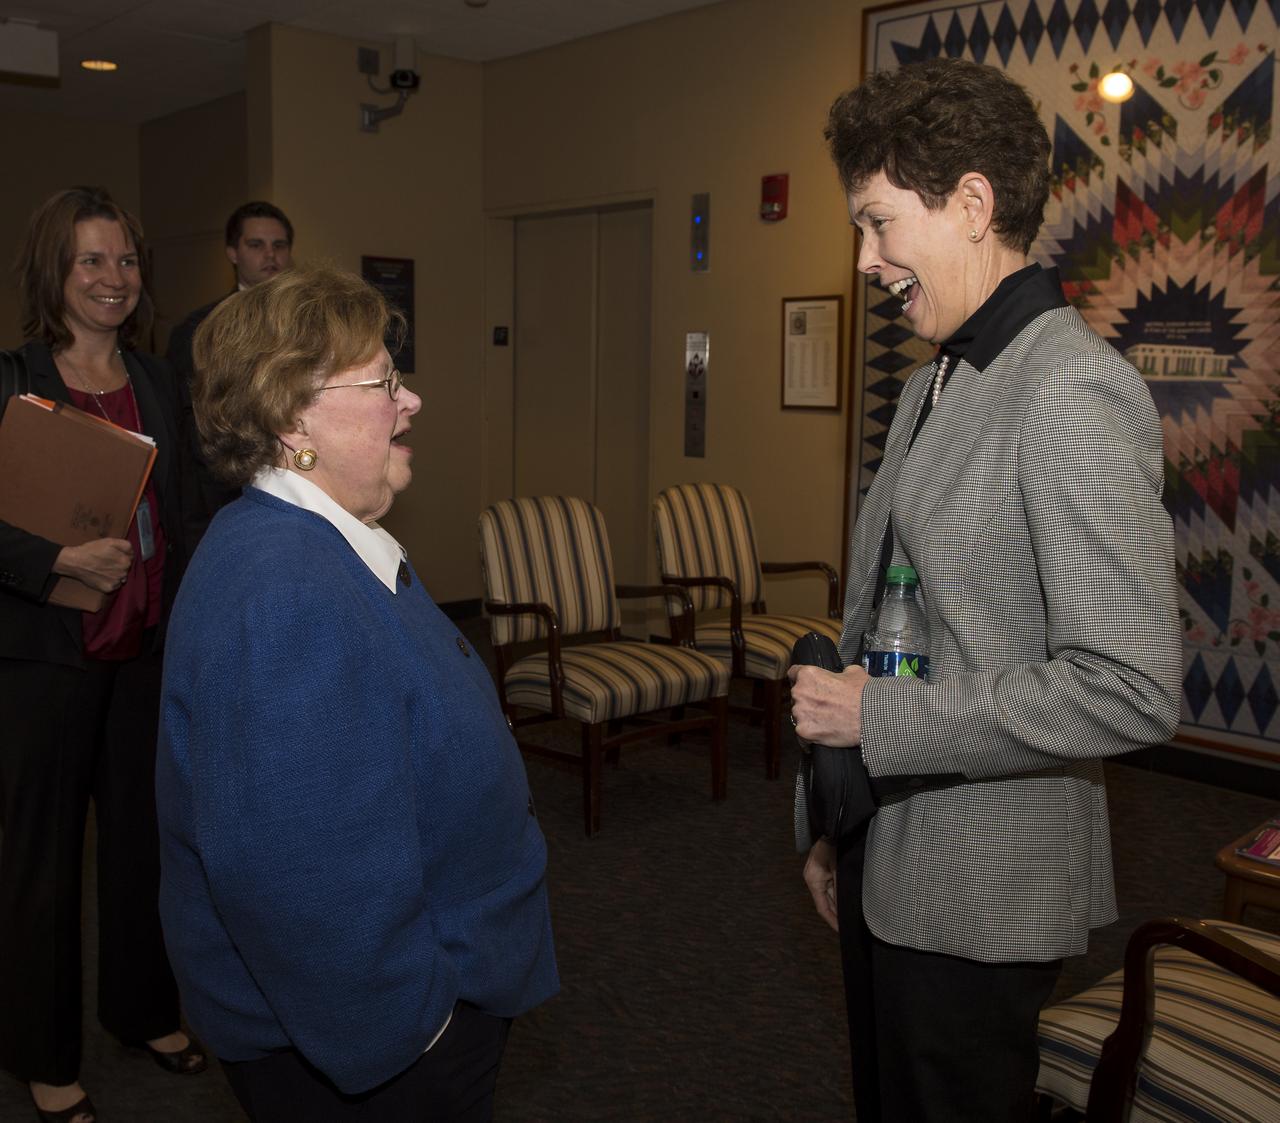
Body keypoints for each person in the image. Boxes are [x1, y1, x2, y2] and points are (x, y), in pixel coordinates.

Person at [788, 59, 1182, 1123]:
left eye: (876, 224)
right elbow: (897, 613)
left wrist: (879, 718)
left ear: (971, 204)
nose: (865, 261)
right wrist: (834, 820)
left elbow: (1130, 687)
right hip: (889, 853)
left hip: (979, 891)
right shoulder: (932, 379)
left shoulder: (1068, 389)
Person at [156, 264, 558, 1121]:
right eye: (385, 382)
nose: (408, 402)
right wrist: (417, 1037)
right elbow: (299, 880)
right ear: (293, 413)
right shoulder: (286, 587)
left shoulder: (313, 543)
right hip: (373, 1052)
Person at [0, 187, 205, 1123]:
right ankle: (42, 1054)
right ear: (56, 271)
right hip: (45, 659)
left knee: (142, 850)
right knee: (41, 865)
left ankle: (143, 1010)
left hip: (145, 654)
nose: (114, 279)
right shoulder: (12, 380)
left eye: (125, 260)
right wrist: (53, 562)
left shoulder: (160, 379)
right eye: (92, 261)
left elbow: (188, 509)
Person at [165, 201, 296, 537]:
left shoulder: (308, 329)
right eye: (256, 245)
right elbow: (192, 433)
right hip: (223, 498)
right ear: (233, 253)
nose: (270, 255)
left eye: (279, 245)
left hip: (301, 487)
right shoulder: (201, 331)